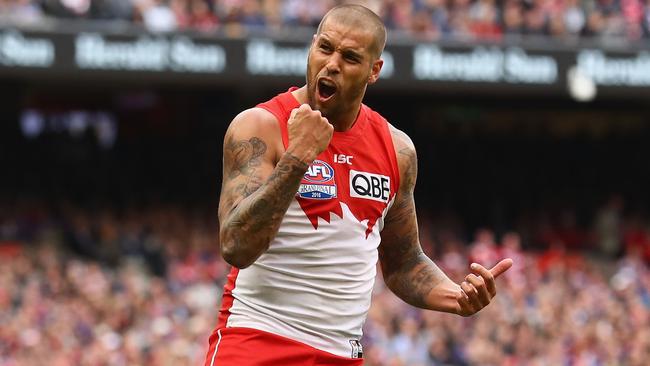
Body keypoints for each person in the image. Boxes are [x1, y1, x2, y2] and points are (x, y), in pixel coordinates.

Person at [205, 4, 513, 366]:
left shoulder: (397, 150)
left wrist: (455, 297)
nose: (332, 64)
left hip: (340, 353)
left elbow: (403, 263)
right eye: (325, 48)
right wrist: (298, 157)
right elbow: (236, 245)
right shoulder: (261, 126)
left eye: (350, 57)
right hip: (256, 341)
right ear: (312, 46)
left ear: (374, 71)